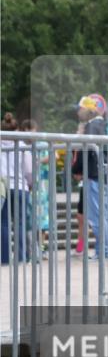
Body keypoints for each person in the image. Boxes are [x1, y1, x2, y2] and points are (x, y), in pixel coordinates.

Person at [71, 96, 108, 260]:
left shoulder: (92, 125)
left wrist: (76, 168)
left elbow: (86, 151)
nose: (78, 112)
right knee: (101, 214)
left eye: (80, 109)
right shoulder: (99, 124)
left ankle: (103, 251)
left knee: (96, 216)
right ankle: (103, 251)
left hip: (93, 175)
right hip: (98, 174)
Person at [1, 113, 31, 264]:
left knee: (4, 223)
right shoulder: (22, 146)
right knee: (20, 223)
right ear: (17, 129)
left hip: (2, 186)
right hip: (20, 186)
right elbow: (29, 170)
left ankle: (5, 258)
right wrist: (30, 184)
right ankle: (21, 257)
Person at [20, 119, 50, 257]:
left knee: (42, 219)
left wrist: (38, 161)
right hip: (27, 184)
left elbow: (53, 155)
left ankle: (41, 248)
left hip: (41, 185)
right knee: (29, 217)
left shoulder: (42, 143)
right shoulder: (21, 144)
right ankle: (32, 249)